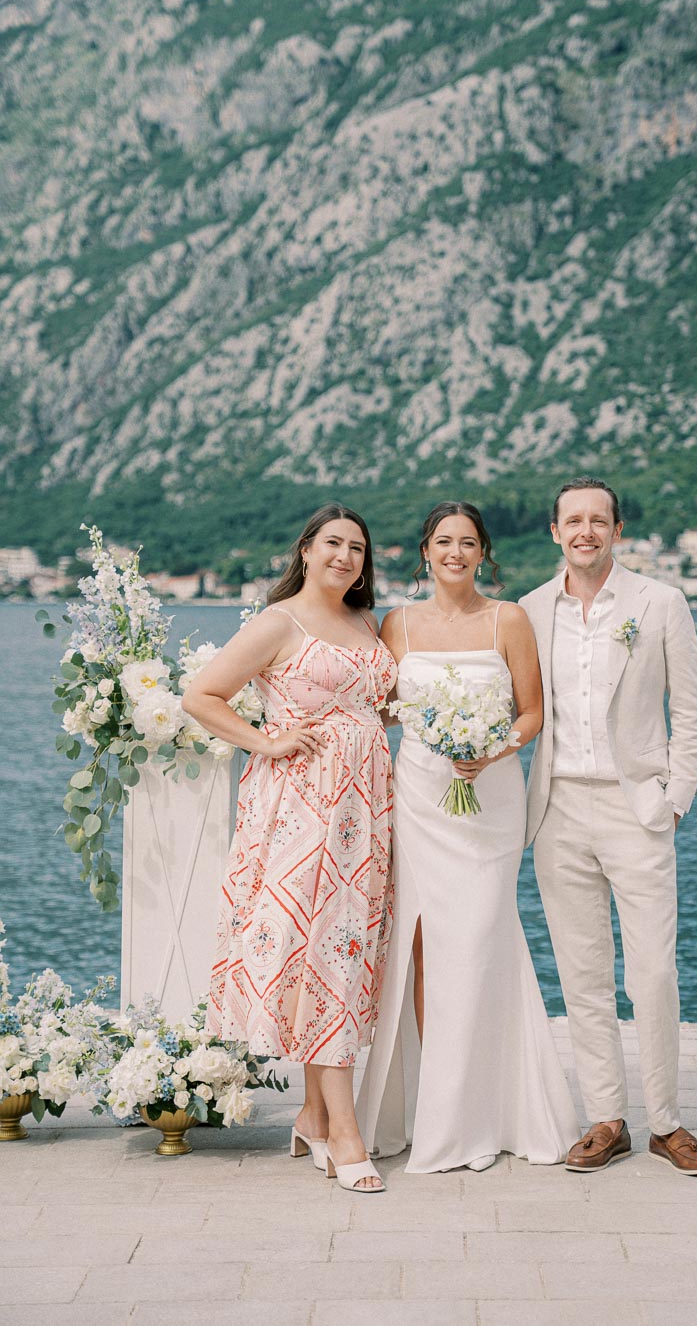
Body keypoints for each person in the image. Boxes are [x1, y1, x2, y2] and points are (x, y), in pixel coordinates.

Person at [356, 501, 580, 1173]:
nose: (456, 552)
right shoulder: (397, 623)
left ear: (485, 553)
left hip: (490, 799)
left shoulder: (507, 619)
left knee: (482, 940)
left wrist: (492, 744)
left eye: (469, 542)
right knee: (426, 948)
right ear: (425, 550)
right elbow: (383, 710)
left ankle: (488, 1112)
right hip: (421, 795)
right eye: (443, 541)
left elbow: (533, 710)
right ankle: (436, 1111)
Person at [182, 503, 396, 1193]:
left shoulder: (367, 624)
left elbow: (374, 705)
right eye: (332, 543)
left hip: (367, 812)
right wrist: (268, 742)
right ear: (305, 550)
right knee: (326, 953)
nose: (345, 556)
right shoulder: (279, 622)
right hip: (304, 813)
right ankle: (344, 1129)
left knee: (340, 956)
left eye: (357, 548)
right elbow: (202, 695)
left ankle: (310, 1113)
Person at [519, 477, 697, 1177]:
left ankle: (667, 1122)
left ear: (617, 531)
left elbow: (692, 713)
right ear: (555, 531)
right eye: (573, 520)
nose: (585, 531)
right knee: (582, 975)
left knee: (655, 972)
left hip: (638, 809)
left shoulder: (661, 603)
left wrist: (674, 797)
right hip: (558, 809)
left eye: (598, 520)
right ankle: (608, 1119)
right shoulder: (530, 609)